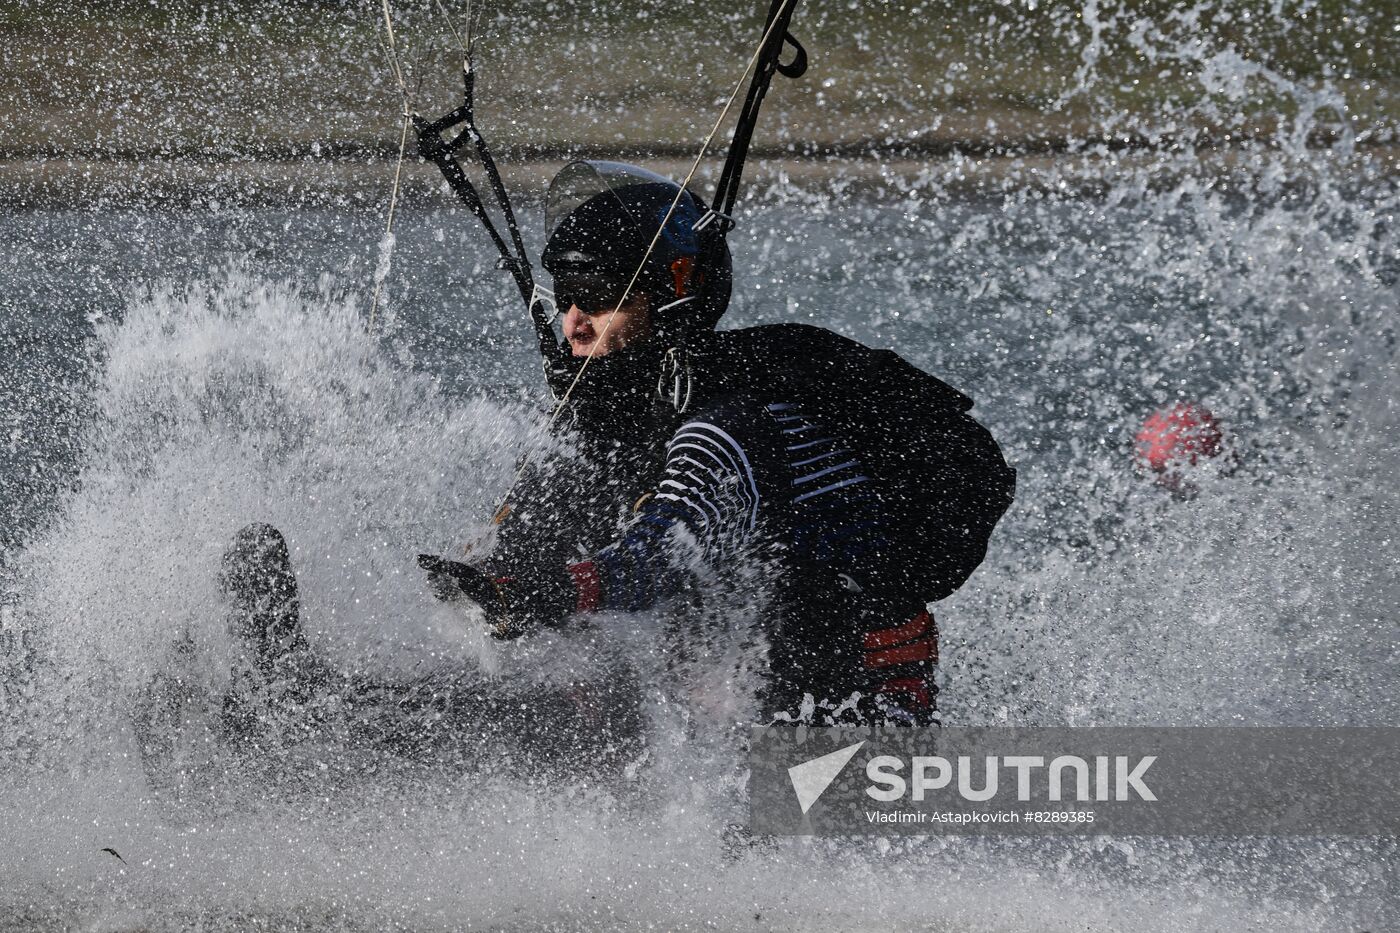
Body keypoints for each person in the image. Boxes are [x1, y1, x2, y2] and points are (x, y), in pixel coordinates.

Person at [421, 161, 1016, 726]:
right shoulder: (608, 426)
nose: (573, 324)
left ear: (674, 295)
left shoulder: (727, 420)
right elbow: (530, 545)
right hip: (721, 686)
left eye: (600, 299)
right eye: (566, 298)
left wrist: (547, 594)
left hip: (840, 700)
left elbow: (666, 552)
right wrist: (486, 587)